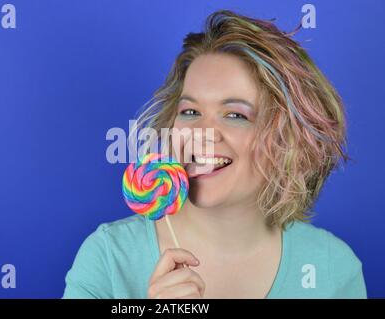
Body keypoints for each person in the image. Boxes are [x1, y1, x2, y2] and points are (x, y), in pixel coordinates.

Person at [63, 9, 367, 299]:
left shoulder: (331, 269)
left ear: (289, 139)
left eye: (235, 115)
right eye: (190, 111)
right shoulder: (108, 257)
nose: (201, 133)